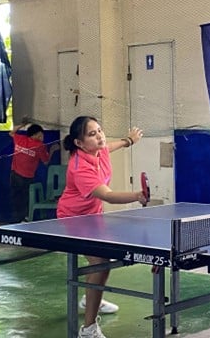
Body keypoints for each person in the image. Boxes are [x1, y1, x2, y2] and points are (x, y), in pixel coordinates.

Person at [57, 116, 147, 338]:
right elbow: (107, 195)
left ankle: (90, 298)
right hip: (73, 219)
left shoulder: (99, 151)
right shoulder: (79, 168)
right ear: (79, 143)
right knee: (100, 264)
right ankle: (88, 330)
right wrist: (137, 195)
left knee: (100, 266)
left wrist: (128, 140)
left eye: (100, 130)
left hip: (92, 217)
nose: (99, 136)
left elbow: (110, 146)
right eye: (92, 134)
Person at [9, 118, 60, 223]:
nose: (42, 138)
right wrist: (52, 150)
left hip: (14, 174)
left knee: (16, 198)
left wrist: (22, 124)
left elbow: (11, 132)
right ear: (35, 135)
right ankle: (24, 219)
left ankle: (16, 220)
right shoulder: (40, 146)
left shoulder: (20, 139)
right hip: (26, 177)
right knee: (26, 199)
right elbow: (45, 162)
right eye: (41, 135)